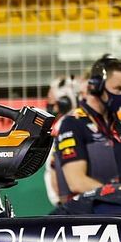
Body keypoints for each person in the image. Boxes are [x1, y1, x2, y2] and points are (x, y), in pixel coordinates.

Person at [53, 55, 121, 205]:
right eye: (118, 89)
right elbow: (77, 182)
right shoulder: (72, 124)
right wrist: (120, 196)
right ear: (96, 85)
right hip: (86, 216)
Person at [43, 75, 80, 206]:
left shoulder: (67, 125)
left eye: (52, 101)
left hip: (71, 201)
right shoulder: (66, 123)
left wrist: (64, 199)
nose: (49, 105)